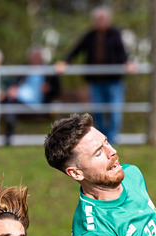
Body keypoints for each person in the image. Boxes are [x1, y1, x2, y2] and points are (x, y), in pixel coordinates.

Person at [56, 5, 134, 146]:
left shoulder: (115, 34)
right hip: (96, 81)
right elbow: (76, 50)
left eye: (103, 19)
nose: (101, 21)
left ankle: (113, 139)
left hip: (114, 81)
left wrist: (127, 63)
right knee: (97, 111)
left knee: (114, 111)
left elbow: (122, 52)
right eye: (99, 19)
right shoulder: (90, 35)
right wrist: (65, 62)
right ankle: (102, 138)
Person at [2, 46, 62, 146]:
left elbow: (57, 90)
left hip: (41, 103)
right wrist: (12, 89)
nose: (36, 58)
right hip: (21, 101)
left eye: (38, 56)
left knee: (57, 111)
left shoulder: (49, 71)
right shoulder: (23, 69)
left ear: (42, 58)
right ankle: (8, 138)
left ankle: (59, 142)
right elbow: (13, 84)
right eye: (34, 56)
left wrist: (49, 89)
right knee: (10, 102)